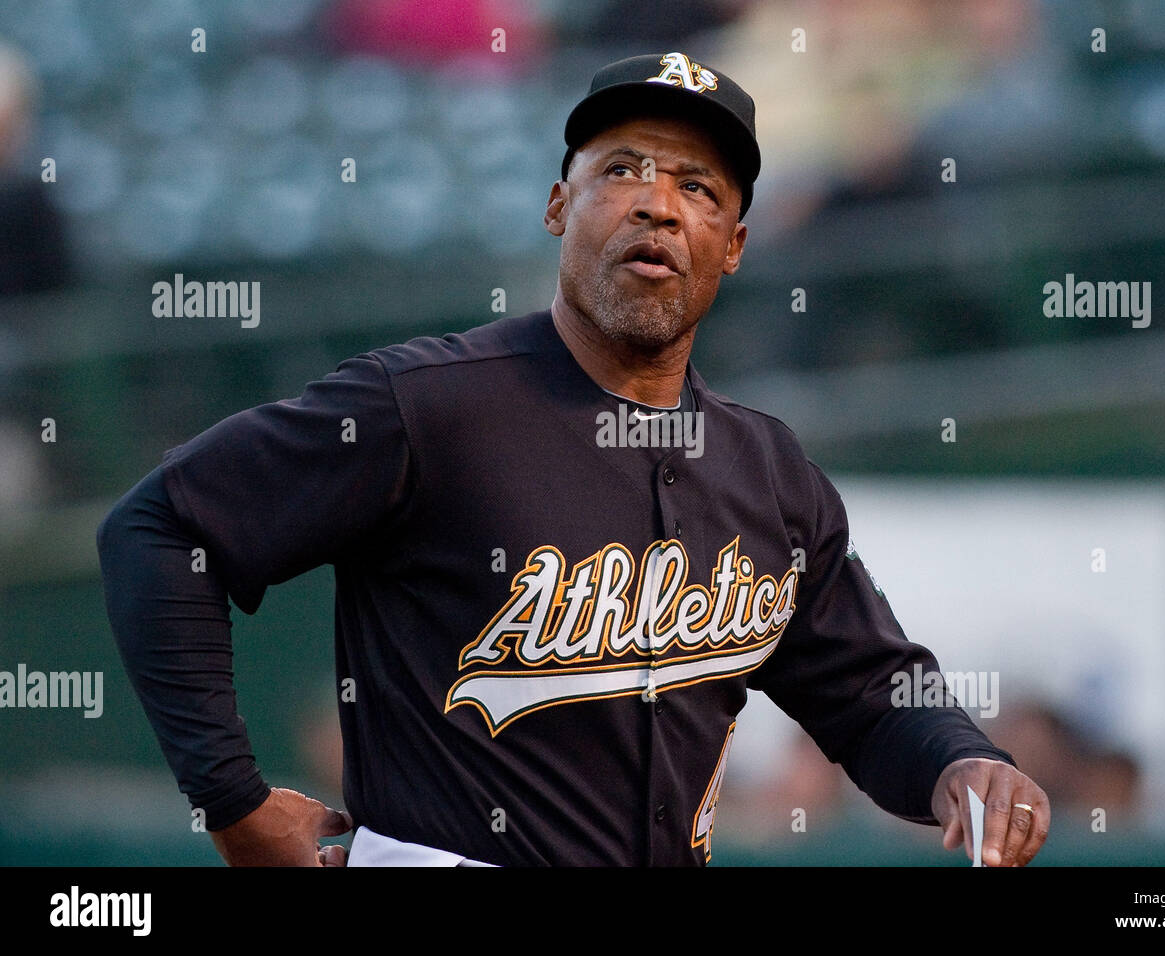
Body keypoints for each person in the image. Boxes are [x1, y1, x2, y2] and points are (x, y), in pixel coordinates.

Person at [97, 52, 1049, 867]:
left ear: (734, 247)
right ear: (561, 204)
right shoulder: (425, 406)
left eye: (699, 188)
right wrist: (232, 801)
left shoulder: (769, 472)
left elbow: (871, 694)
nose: (660, 207)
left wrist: (958, 760)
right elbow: (163, 525)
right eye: (623, 170)